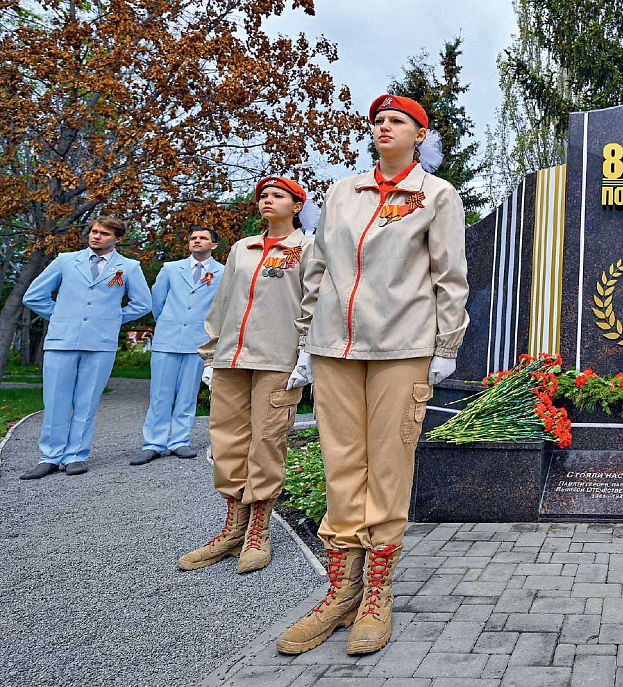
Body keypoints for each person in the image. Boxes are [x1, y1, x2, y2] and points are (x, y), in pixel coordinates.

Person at [277, 94, 467, 657]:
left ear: (420, 135)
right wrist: (306, 340)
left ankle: (376, 595)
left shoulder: (436, 194)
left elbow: (449, 275)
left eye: (397, 121)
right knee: (341, 464)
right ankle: (341, 593)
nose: (384, 127)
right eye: (378, 121)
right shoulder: (343, 192)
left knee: (387, 465)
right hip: (334, 347)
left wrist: (446, 345)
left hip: (401, 348)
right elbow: (317, 267)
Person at [178, 176, 317, 575]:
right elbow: (223, 302)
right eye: (263, 195)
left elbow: (313, 300)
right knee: (227, 441)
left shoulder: (308, 247)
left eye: (278, 195)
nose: (267, 200)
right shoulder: (242, 248)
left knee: (267, 441)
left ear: (297, 206)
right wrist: (211, 354)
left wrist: (305, 350)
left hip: (277, 359)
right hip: (230, 359)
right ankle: (233, 529)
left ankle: (259, 530)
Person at [20, 217, 151, 479]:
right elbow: (33, 296)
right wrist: (61, 316)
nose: (96, 236)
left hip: (100, 343)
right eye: (94, 231)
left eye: (104, 233)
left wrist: (111, 319)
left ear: (117, 239)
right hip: (62, 340)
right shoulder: (66, 261)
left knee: (87, 401)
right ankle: (49, 457)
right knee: (55, 400)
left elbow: (143, 303)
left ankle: (76, 456)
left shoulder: (129, 267)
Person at [132, 227, 223, 465]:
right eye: (193, 238)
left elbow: (220, 307)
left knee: (187, 394)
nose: (197, 241)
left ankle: (180, 441)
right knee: (159, 395)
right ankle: (153, 443)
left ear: (213, 245)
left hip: (198, 341)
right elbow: (158, 301)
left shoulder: (223, 272)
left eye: (203, 238)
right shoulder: (171, 269)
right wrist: (168, 322)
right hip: (167, 339)